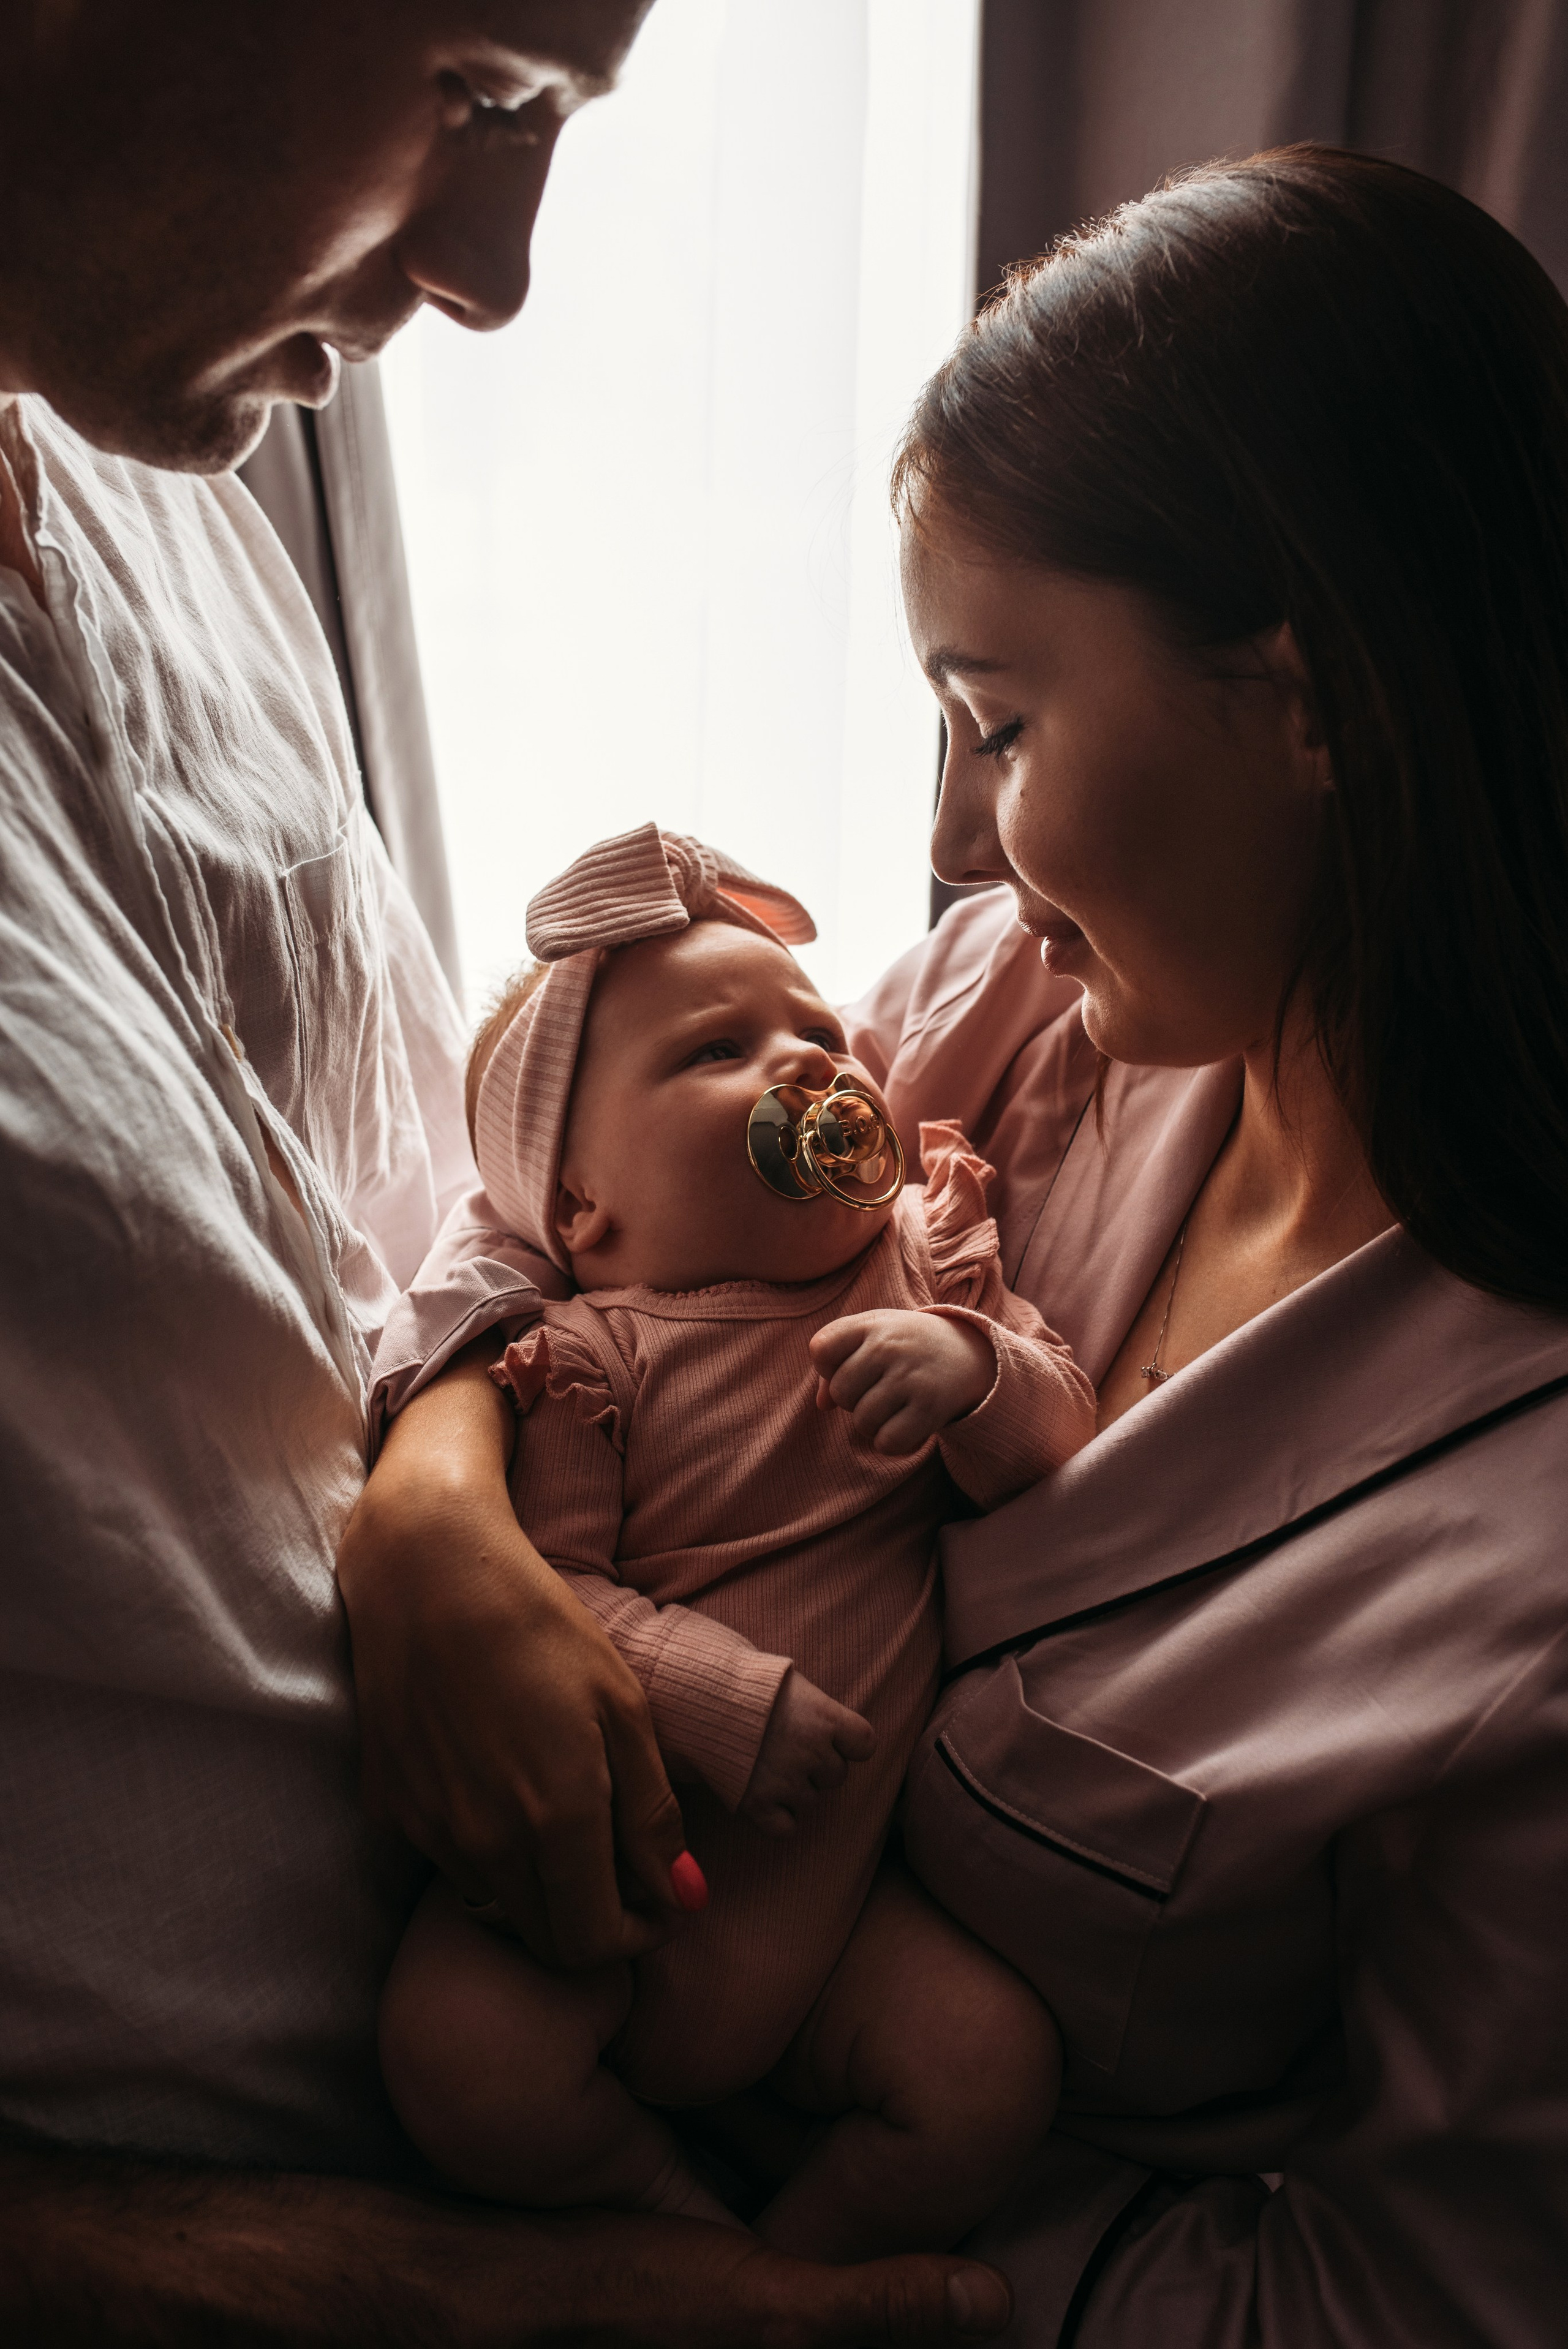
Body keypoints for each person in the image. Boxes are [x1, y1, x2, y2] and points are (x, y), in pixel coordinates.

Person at [371, 146, 1568, 2343]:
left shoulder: (1524, 1524)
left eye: (1000, 725)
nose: (947, 842)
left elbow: (1424, 2287)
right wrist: (431, 1506)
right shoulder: (1004, 1018)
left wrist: (797, 2295)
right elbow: (580, 1178)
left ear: (1318, 700)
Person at [0, 2, 1014, 2340]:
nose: (496, 273)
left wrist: (438, 1491)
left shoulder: (169, 469)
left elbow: (430, 1211)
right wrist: (425, 2294)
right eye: (484, 87)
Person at [376, 823, 1088, 2255]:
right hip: (622, 1896)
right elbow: (554, 1593)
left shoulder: (923, 1274)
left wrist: (974, 1372)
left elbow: (1063, 1436)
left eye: (820, 1032)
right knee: (450, 2047)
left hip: (834, 1938)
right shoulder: (589, 1361)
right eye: (715, 1054)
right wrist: (718, 1699)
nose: (811, 1065)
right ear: (582, 1206)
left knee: (989, 2073)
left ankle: (788, 2276)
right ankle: (668, 2220)